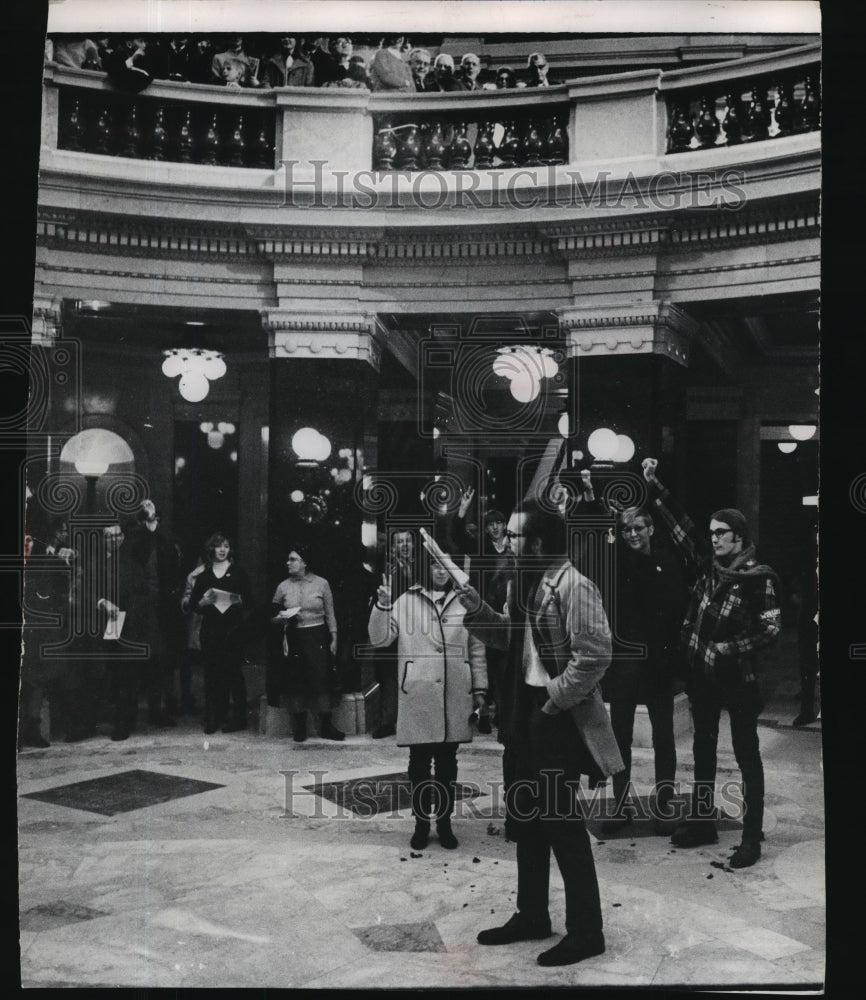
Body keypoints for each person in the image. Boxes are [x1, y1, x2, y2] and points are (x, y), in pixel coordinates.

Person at [456, 501, 622, 967]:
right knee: (526, 818)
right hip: (523, 710)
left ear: (540, 542)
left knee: (563, 825)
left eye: (514, 535)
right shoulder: (523, 583)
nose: (505, 542)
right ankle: (532, 915)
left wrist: (552, 702)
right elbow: (510, 638)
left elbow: (594, 655)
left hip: (553, 713)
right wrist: (478, 610)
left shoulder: (574, 586)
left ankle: (587, 931)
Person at [643, 458, 782, 869]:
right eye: (713, 534)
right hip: (702, 679)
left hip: (738, 680)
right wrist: (654, 487)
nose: (714, 539)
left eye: (721, 534)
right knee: (703, 749)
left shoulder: (760, 578)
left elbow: (770, 629)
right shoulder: (711, 565)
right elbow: (682, 529)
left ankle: (751, 837)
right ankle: (703, 822)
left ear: (739, 538)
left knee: (745, 755)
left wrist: (727, 648)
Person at [579, 469, 688, 833]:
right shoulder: (616, 563)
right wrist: (594, 499)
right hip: (624, 665)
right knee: (620, 737)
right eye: (626, 530)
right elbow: (597, 538)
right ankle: (621, 807)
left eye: (639, 528)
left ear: (650, 529)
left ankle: (664, 805)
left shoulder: (669, 562)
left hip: (658, 663)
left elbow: (676, 612)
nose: (633, 534)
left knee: (663, 739)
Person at [368, 547, 487, 850]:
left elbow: (476, 648)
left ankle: (444, 823)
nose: (440, 570)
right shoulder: (406, 600)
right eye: (434, 564)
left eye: (445, 565)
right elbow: (380, 639)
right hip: (418, 692)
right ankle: (422, 823)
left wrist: (479, 688)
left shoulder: (465, 600)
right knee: (419, 764)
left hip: (453, 694)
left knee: (448, 764)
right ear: (425, 568)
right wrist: (382, 606)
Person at [270, 544, 343, 742]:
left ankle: (326, 726)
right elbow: (272, 614)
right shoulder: (282, 586)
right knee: (296, 681)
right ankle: (299, 727)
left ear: (304, 562)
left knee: (321, 680)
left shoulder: (322, 584)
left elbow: (330, 613)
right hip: (294, 636)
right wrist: (279, 618)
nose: (288, 563)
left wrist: (334, 636)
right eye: (288, 559)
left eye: (293, 559)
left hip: (318, 636)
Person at [97, 522, 156, 741]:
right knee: (109, 674)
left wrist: (150, 524)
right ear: (103, 539)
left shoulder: (132, 559)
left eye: (118, 535)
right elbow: (88, 589)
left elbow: (147, 545)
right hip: (101, 623)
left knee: (126, 674)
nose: (115, 539)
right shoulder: (96, 562)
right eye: (109, 536)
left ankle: (124, 721)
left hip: (129, 623)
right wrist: (102, 602)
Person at [126, 500, 183, 727]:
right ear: (141, 521)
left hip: (159, 611)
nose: (155, 523)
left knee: (158, 663)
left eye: (157, 520)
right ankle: (128, 716)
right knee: (133, 665)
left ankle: (155, 711)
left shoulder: (163, 543)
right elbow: (138, 553)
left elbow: (171, 575)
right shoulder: (132, 541)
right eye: (150, 519)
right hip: (136, 611)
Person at [191, 532, 251, 734]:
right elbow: (194, 605)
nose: (223, 550)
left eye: (226, 546)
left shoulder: (239, 572)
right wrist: (203, 602)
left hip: (233, 629)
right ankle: (213, 717)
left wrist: (235, 599)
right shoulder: (204, 576)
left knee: (233, 673)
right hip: (211, 630)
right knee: (211, 674)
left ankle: (239, 718)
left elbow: (249, 600)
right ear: (211, 550)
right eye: (219, 546)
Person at [370, 529, 416, 739]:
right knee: (389, 677)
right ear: (393, 547)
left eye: (407, 541)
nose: (404, 545)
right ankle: (387, 721)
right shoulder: (386, 571)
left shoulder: (424, 569)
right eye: (399, 542)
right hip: (392, 629)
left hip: (416, 630)